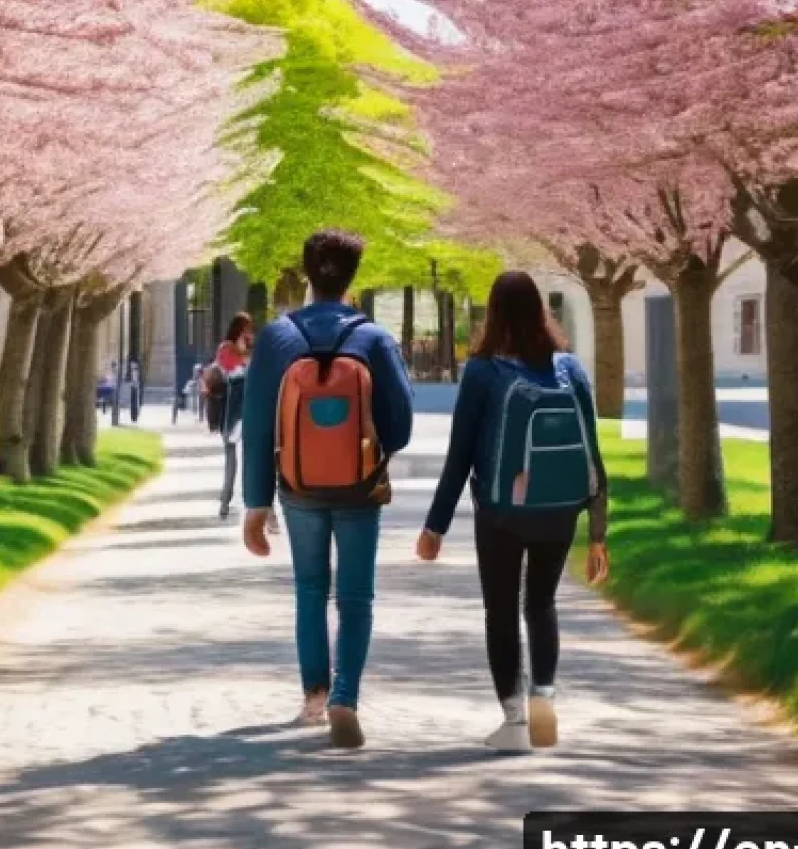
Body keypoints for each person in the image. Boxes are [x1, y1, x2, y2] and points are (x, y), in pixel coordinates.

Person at [416, 271, 610, 753]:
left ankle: (514, 720)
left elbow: (460, 454)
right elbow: (593, 452)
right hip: (560, 510)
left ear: (494, 312)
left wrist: (434, 526)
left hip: (502, 513)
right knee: (541, 604)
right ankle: (543, 699)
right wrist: (599, 531)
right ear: (541, 310)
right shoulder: (571, 369)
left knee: (500, 610)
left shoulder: (483, 372)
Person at [242, 230, 414, 748]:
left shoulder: (276, 338)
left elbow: (256, 425)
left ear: (307, 273)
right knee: (356, 597)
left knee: (310, 590)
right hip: (360, 487)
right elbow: (401, 426)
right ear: (353, 277)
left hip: (299, 487)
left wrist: (256, 502)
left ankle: (314, 696)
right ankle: (346, 696)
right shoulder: (374, 339)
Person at [214, 313, 255, 520]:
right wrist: (242, 353)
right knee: (231, 456)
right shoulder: (226, 348)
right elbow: (229, 367)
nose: (249, 332)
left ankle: (255, 504)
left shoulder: (249, 349)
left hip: (249, 402)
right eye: (247, 328)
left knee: (252, 457)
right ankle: (225, 501)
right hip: (233, 403)